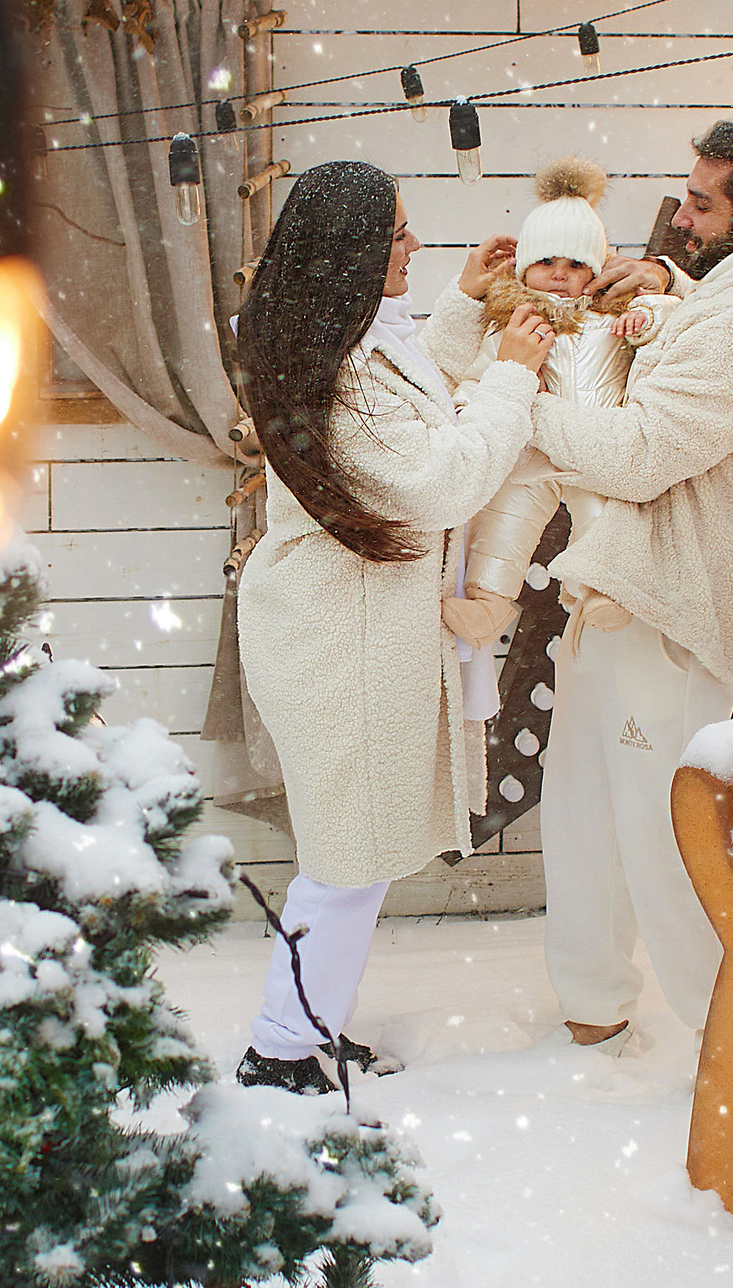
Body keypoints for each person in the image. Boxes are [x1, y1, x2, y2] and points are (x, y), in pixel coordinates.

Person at [424, 120, 733, 1049]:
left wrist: (519, 389)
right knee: (583, 814)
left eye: (702, 204)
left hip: (669, 602)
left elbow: (640, 453)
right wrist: (662, 284)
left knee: (670, 837)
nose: (678, 217)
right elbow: (678, 329)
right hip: (612, 594)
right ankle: (594, 1006)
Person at [232, 159, 555, 1093]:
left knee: (355, 857)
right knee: (346, 862)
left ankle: (303, 1029)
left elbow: (412, 389)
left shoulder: (348, 338)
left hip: (353, 634)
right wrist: (514, 376)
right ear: (354, 256)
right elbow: (437, 478)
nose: (416, 244)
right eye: (400, 235)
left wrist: (459, 300)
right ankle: (279, 1050)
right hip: (342, 644)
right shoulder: (339, 372)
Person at [440, 157, 677, 647]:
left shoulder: (614, 315)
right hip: (530, 450)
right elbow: (483, 371)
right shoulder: (512, 322)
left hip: (594, 444)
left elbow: (671, 319)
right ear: (524, 266)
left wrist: (646, 318)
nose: (558, 275)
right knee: (505, 516)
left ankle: (600, 592)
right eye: (546, 262)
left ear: (596, 269)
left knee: (602, 516)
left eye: (575, 265)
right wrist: (466, 405)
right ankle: (488, 603)